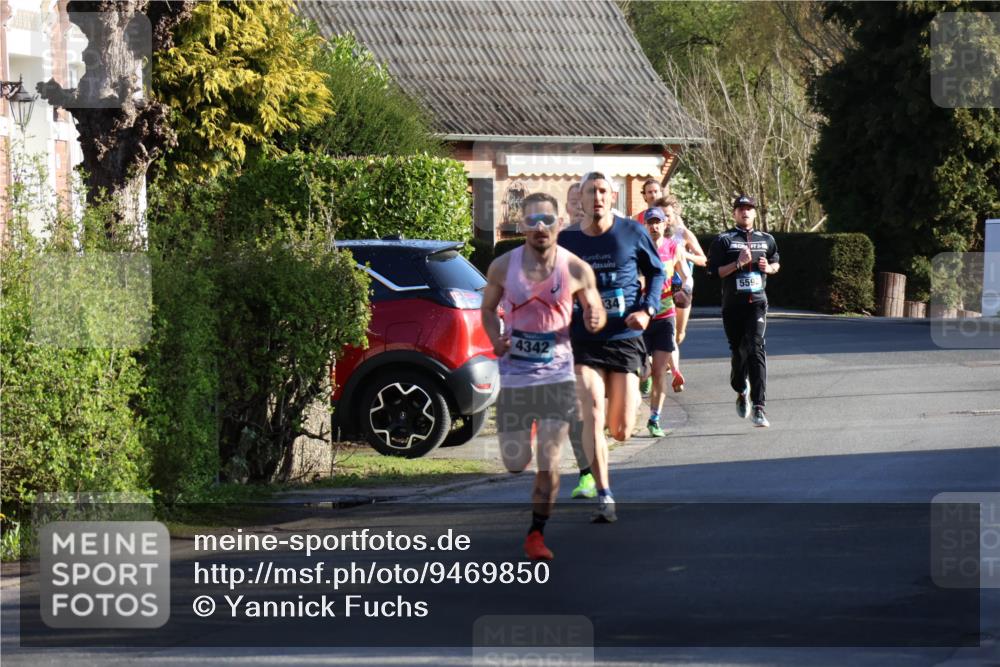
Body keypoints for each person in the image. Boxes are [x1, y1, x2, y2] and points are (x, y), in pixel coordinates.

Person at [481, 192, 606, 559]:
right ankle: (528, 460)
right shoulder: (503, 267)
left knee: (549, 464)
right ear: (521, 225)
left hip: (557, 378)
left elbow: (594, 302)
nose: (540, 227)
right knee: (516, 463)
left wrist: (594, 315)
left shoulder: (577, 268)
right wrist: (495, 337)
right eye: (532, 220)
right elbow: (488, 309)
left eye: (547, 220)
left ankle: (536, 534)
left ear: (559, 224)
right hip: (517, 377)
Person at [558, 172, 665, 522]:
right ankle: (604, 494)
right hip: (584, 340)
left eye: (604, 191)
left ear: (613, 196)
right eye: (592, 191)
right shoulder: (567, 241)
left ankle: (615, 429)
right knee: (592, 413)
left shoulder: (631, 232)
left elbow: (658, 272)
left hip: (624, 337)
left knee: (621, 428)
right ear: (581, 199)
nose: (598, 197)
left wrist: (648, 310)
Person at [707, 195, 780, 428]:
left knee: (756, 347)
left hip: (757, 303)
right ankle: (741, 388)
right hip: (733, 306)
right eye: (740, 209)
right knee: (739, 353)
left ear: (755, 213)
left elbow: (776, 261)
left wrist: (769, 268)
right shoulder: (724, 240)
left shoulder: (766, 239)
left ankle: (759, 407)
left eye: (749, 209)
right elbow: (713, 272)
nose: (745, 212)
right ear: (734, 213)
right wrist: (737, 264)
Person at [639, 206, 686, 438]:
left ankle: (654, 419)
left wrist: (683, 293)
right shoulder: (638, 249)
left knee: (659, 371)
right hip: (642, 318)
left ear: (665, 224)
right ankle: (641, 380)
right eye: (651, 222)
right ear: (645, 226)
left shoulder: (673, 248)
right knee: (641, 371)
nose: (655, 226)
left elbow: (685, 278)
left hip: (666, 316)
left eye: (658, 222)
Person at [659, 195, 707, 346]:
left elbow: (704, 260)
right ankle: (662, 363)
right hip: (662, 286)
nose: (665, 219)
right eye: (662, 216)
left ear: (674, 216)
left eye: (668, 215)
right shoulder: (652, 234)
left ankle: (666, 360)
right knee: (666, 329)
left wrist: (683, 254)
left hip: (683, 285)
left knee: (679, 333)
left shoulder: (683, 233)